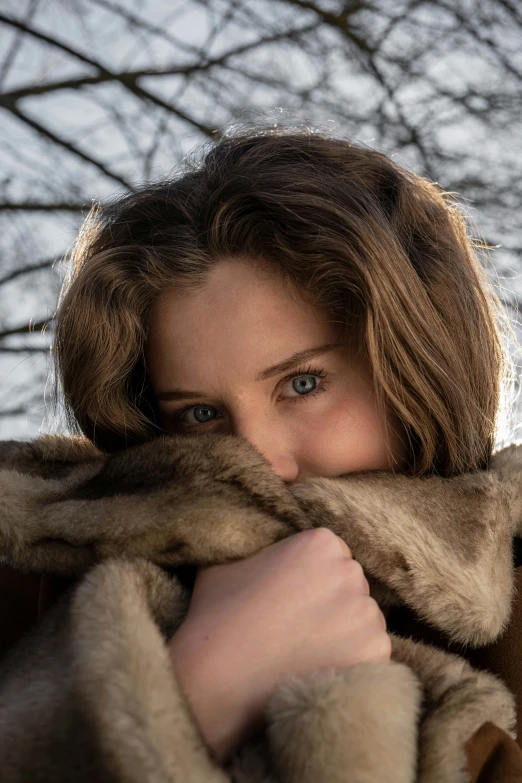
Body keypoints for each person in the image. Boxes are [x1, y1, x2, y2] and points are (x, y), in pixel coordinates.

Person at [2, 125, 521, 776]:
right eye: (199, 413)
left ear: (417, 366)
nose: (257, 460)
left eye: (302, 384)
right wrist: (196, 692)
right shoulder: (37, 573)